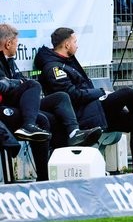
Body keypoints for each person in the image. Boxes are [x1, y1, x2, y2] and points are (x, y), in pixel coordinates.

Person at [35, 27, 133, 173]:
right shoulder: (53, 68)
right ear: (67, 45)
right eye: (75, 42)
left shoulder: (67, 61)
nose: (77, 45)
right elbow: (73, 96)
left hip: (94, 109)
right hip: (81, 115)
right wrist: (100, 92)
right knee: (128, 93)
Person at [0, 24, 102, 181]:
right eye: (16, 43)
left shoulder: (9, 61)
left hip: (20, 104)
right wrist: (19, 83)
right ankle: (42, 173)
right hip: (6, 108)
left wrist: (18, 83)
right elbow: (5, 85)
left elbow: (18, 80)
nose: (17, 46)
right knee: (40, 111)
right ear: (8, 44)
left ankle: (74, 133)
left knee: (60, 97)